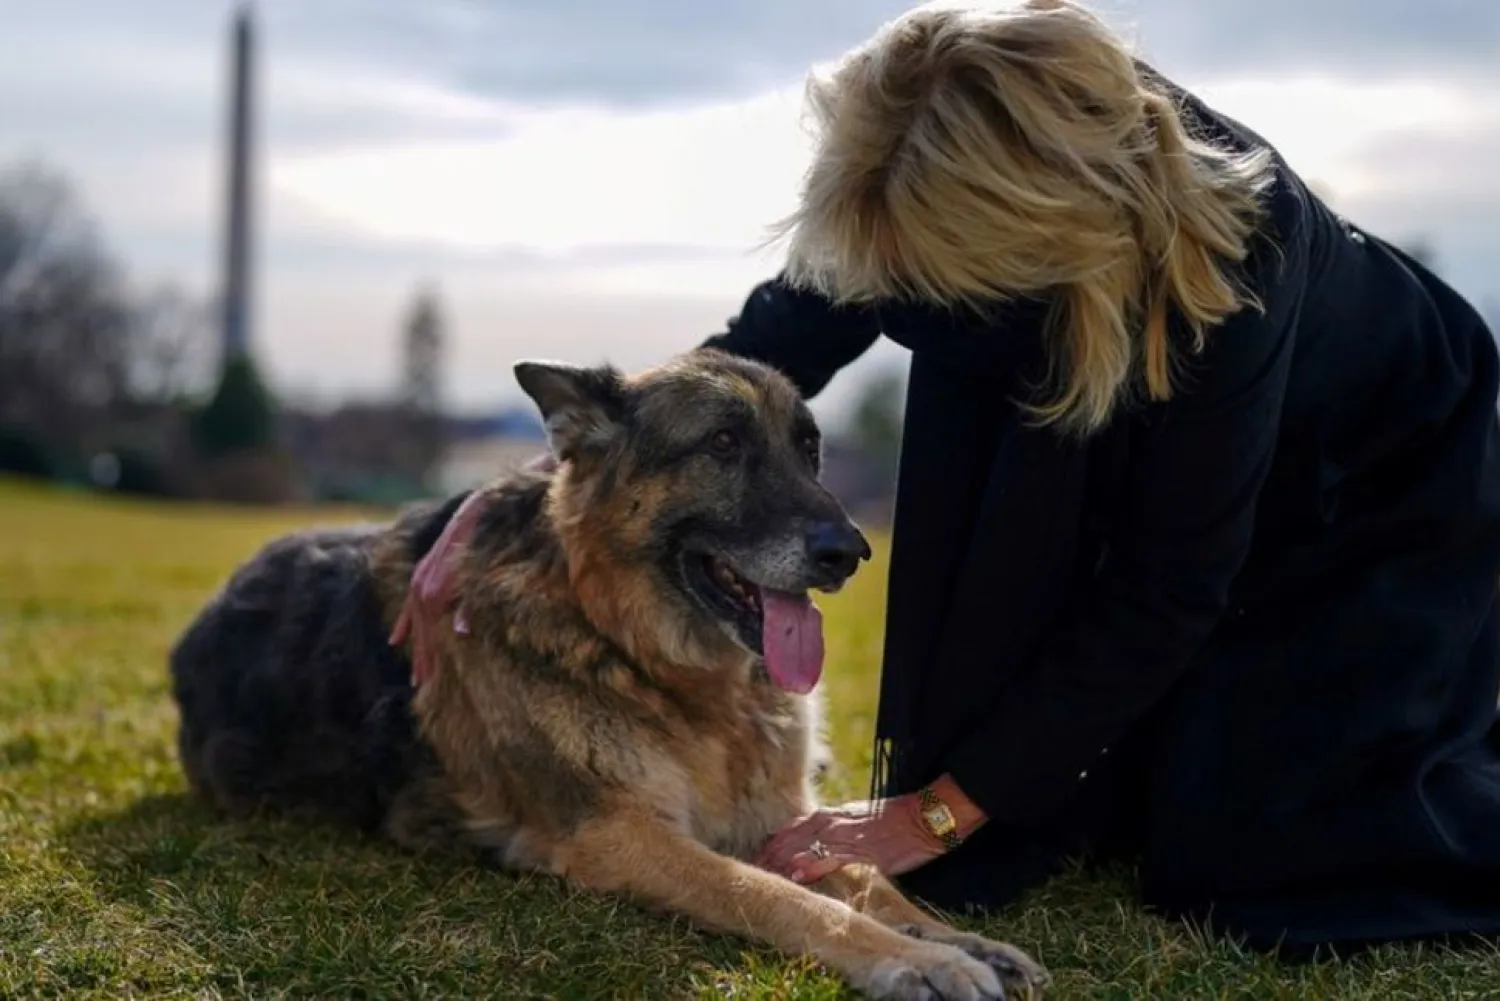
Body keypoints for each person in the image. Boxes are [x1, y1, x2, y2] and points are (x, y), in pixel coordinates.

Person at [393, 0, 1500, 958]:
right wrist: (518, 495)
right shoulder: (911, 151)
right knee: (1067, 810)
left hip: (1375, 467)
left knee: (1269, 864)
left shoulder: (1229, 267)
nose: (893, 284)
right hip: (1125, 386)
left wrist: (931, 814)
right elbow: (739, 364)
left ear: (1031, 232)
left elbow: (1167, 584)